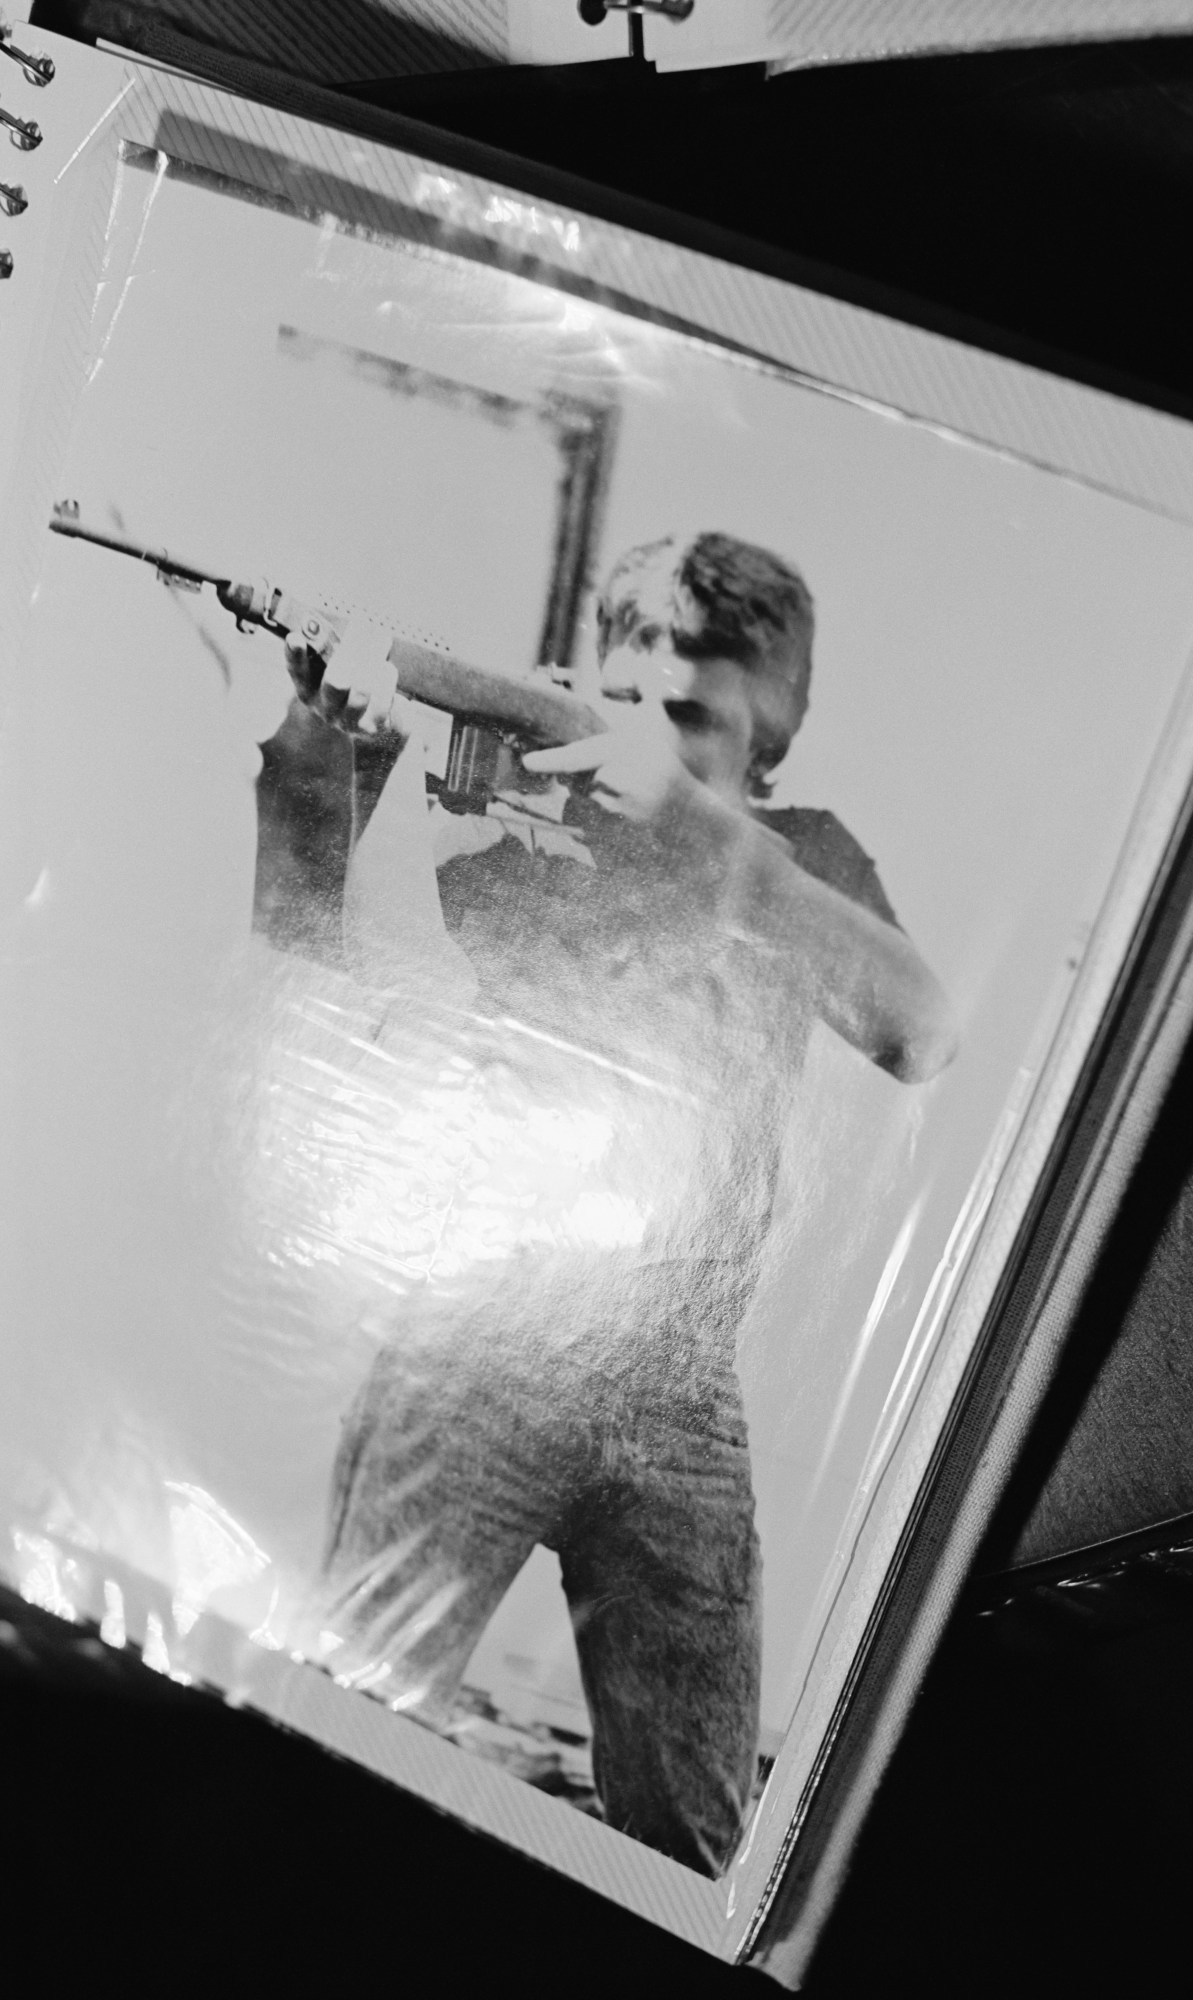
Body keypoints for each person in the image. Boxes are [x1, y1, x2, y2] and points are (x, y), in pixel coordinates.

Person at [283, 531, 957, 1877]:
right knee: (348, 1730)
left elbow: (920, 1029)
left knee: (694, 1840)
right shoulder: (522, 808)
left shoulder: (798, 854)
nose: (647, 735)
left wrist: (704, 834)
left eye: (692, 718)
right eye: (626, 700)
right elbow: (343, 972)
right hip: (480, 1340)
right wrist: (349, 759)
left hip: (682, 1390)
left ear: (773, 733)